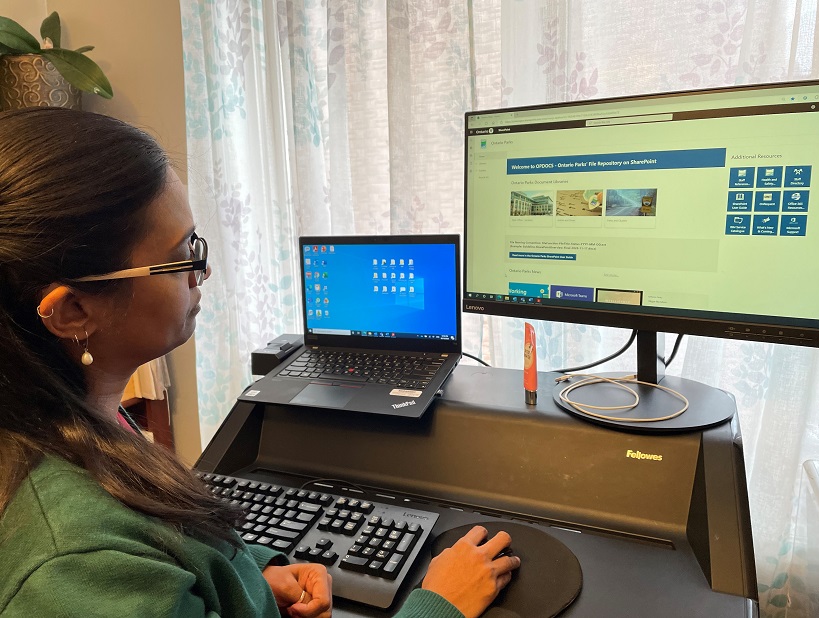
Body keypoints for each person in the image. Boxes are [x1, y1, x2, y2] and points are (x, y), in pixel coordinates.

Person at [0, 107, 520, 617]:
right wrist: (438, 605)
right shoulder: (73, 568)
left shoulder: (82, 419)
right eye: (186, 255)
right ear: (72, 311)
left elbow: (177, 554)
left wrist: (252, 575)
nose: (202, 275)